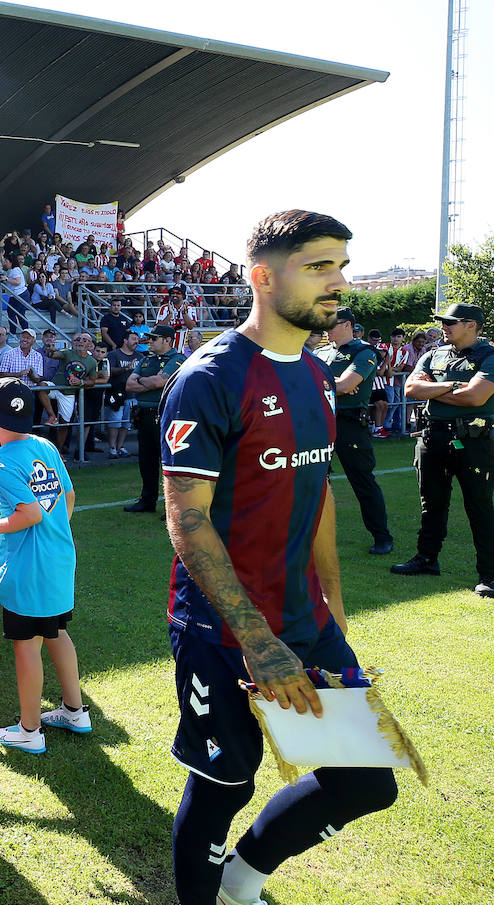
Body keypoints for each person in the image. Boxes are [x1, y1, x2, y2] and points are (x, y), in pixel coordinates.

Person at [160, 210, 398, 905]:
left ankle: (243, 878)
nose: (340, 282)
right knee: (224, 782)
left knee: (365, 779)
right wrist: (258, 641)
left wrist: (332, 599)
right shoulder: (209, 377)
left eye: (343, 265)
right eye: (321, 266)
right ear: (263, 277)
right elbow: (187, 519)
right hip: (223, 631)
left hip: (305, 619)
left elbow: (316, 489)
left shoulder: (320, 376)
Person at [0, 378, 88, 754]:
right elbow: (66, 496)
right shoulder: (45, 445)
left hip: (30, 569)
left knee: (26, 646)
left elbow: (30, 513)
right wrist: (56, 533)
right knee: (56, 632)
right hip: (58, 560)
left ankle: (29, 731)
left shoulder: (0, 464)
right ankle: (74, 710)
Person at [391, 302, 494, 597]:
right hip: (432, 437)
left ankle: (489, 574)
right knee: (431, 504)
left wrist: (436, 389)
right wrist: (453, 387)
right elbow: (411, 389)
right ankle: (426, 559)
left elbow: (475, 397)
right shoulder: (433, 353)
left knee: (480, 507)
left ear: (471, 325)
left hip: (474, 441)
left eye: (450, 322)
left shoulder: (489, 355)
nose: (444, 327)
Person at [318, 307, 392, 554]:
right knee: (314, 481)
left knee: (363, 481)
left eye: (332, 324)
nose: (327, 329)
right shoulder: (320, 352)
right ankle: (312, 537)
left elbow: (346, 385)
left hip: (349, 424)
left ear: (348, 325)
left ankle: (382, 537)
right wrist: (335, 384)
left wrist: (333, 384)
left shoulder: (364, 351)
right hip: (319, 423)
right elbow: (335, 385)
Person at [123, 325, 185, 514]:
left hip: (164, 414)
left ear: (167, 340)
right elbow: (129, 385)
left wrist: (145, 381)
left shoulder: (177, 359)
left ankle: (173, 507)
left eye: (154, 338)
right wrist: (149, 382)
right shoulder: (146, 359)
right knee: (146, 460)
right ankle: (147, 500)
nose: (149, 341)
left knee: (168, 461)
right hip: (144, 414)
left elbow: (159, 382)